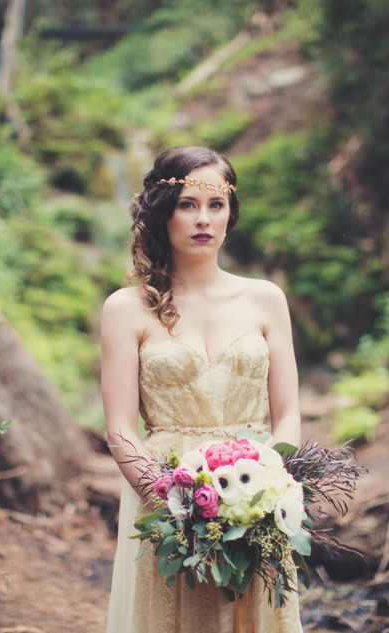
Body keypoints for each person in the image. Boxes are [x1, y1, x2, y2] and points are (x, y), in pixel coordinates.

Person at [101, 146, 304, 632]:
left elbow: (290, 411)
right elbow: (120, 429)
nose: (203, 219)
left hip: (255, 495)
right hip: (165, 496)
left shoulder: (265, 299)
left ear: (231, 213)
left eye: (216, 205)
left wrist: (268, 495)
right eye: (187, 204)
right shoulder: (126, 308)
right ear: (161, 212)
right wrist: (174, 504)